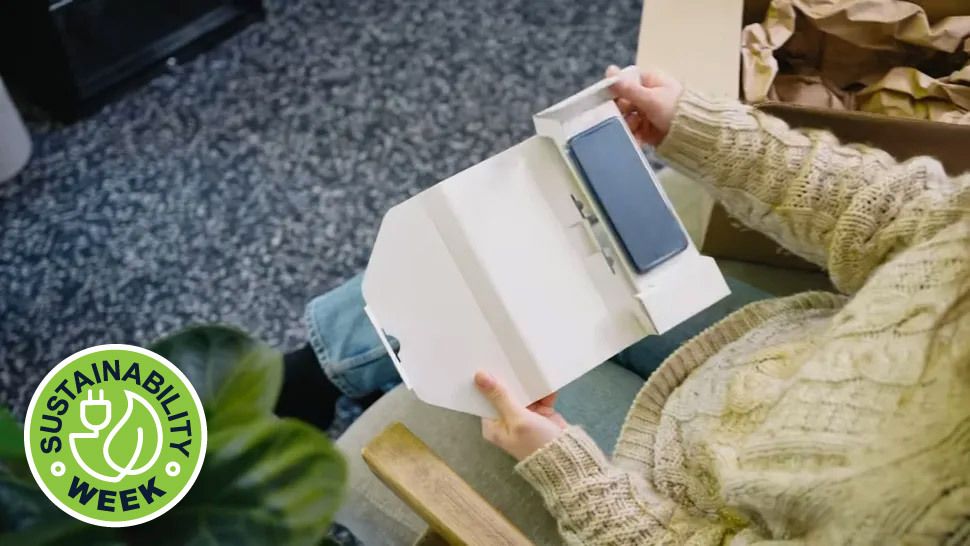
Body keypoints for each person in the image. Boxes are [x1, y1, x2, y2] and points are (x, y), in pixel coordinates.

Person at [278, 65, 970, 544]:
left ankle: (302, 395)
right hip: (783, 350)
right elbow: (911, 220)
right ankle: (318, 370)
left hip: (680, 501)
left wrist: (567, 471)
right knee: (511, 237)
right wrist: (712, 136)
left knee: (483, 324)